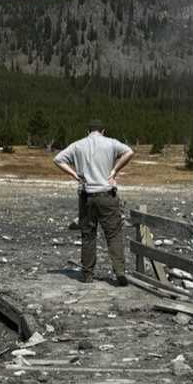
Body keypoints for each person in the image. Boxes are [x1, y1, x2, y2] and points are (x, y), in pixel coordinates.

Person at [53, 119, 135, 286]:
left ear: (87, 132)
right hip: (107, 194)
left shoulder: (77, 145)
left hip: (86, 195)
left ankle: (88, 274)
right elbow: (129, 152)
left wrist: (74, 174)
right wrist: (114, 170)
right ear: (103, 130)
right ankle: (119, 271)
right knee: (113, 234)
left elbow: (58, 159)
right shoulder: (111, 143)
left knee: (88, 235)